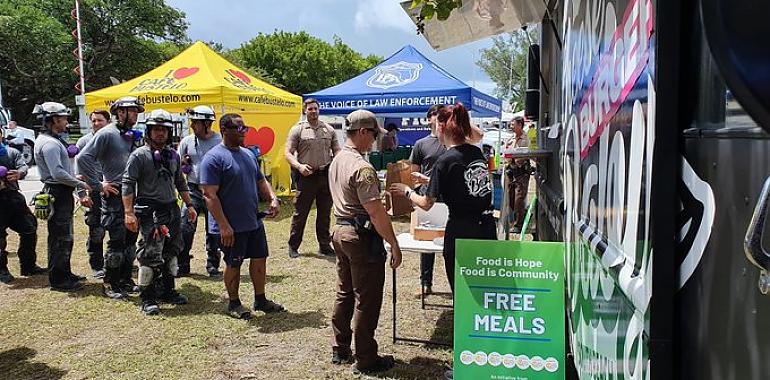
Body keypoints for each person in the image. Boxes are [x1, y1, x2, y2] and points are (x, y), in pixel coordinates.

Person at [390, 103, 496, 293]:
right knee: (485, 285)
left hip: (462, 230)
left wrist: (407, 191)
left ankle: (462, 321)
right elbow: (463, 183)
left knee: (463, 290)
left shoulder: (445, 161)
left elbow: (426, 203)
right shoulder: (476, 153)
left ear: (441, 127)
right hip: (486, 228)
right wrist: (431, 180)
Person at [328, 109, 402, 375]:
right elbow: (374, 211)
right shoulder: (362, 167)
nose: (374, 140)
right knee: (367, 299)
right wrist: (393, 242)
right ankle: (366, 358)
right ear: (361, 132)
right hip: (360, 236)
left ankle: (340, 348)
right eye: (372, 134)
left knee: (345, 292)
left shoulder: (338, 159)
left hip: (340, 231)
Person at [200, 113, 284, 320]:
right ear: (224, 130)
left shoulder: (248, 154)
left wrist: (273, 198)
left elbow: (260, 180)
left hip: (252, 221)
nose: (243, 132)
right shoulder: (213, 158)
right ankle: (234, 303)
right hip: (230, 225)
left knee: (259, 258)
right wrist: (223, 226)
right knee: (233, 263)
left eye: (244, 128)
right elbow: (209, 195)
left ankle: (260, 299)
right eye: (239, 128)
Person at [122, 109, 196, 315]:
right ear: (148, 131)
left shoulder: (173, 155)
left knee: (172, 250)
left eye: (164, 129)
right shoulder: (139, 156)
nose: (160, 133)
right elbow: (127, 184)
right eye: (156, 129)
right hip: (149, 211)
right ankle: (147, 297)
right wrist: (128, 212)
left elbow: (180, 182)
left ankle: (168, 290)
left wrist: (189, 206)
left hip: (171, 208)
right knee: (149, 254)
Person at [77, 96, 144, 300]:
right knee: (117, 241)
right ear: (120, 112)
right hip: (115, 195)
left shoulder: (132, 135)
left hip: (135, 193)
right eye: (132, 110)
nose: (135, 114)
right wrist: (99, 185)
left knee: (131, 240)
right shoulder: (107, 133)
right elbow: (83, 158)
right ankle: (111, 283)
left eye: (136, 111)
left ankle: (125, 278)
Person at [32, 102, 92, 292]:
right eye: (64, 118)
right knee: (60, 237)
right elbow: (57, 173)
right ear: (54, 120)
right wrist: (80, 183)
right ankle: (59, 280)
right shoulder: (49, 144)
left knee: (65, 236)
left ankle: (64, 273)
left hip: (61, 191)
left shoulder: (51, 140)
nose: (67, 121)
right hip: (57, 191)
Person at [284, 98, 340, 258]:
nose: (313, 111)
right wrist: (299, 166)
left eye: (315, 108)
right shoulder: (298, 130)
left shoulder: (329, 130)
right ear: (305, 111)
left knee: (324, 213)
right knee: (300, 213)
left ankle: (324, 245)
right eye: (310, 109)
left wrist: (338, 163)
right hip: (306, 176)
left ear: (319, 110)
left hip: (325, 175)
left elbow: (336, 150)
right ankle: (293, 246)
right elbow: (288, 153)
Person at [177, 105, 222, 277]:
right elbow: (178, 165)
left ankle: (213, 265)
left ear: (206, 123)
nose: (192, 126)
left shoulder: (219, 141)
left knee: (214, 230)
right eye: (192, 122)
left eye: (196, 123)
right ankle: (183, 264)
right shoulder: (187, 141)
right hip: (193, 189)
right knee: (185, 228)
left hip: (214, 192)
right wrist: (184, 164)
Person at [408, 105, 447, 296]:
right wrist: (417, 191)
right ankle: (425, 283)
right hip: (427, 197)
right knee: (427, 242)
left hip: (448, 197)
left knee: (449, 241)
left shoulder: (451, 142)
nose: (439, 119)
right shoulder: (421, 144)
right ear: (429, 119)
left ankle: (455, 285)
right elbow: (413, 172)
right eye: (436, 115)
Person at [0, 128, 46, 284]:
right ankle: (2, 270)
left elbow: (23, 166)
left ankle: (28, 265)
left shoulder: (10, 152)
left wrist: (19, 174)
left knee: (29, 228)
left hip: (13, 198)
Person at [75, 110, 110, 278]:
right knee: (96, 230)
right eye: (93, 121)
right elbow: (78, 173)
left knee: (118, 229)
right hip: (94, 191)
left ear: (108, 121)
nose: (96, 123)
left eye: (100, 120)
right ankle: (97, 265)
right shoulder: (84, 142)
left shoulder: (116, 139)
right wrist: (82, 194)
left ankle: (117, 262)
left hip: (114, 191)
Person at [503, 116, 531, 233]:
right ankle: (514, 221)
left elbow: (530, 153)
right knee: (510, 198)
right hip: (511, 171)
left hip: (522, 172)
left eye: (513, 124)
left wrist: (520, 159)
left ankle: (518, 225)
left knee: (519, 199)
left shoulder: (527, 138)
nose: (511, 126)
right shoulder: (510, 139)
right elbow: (506, 152)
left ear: (520, 125)